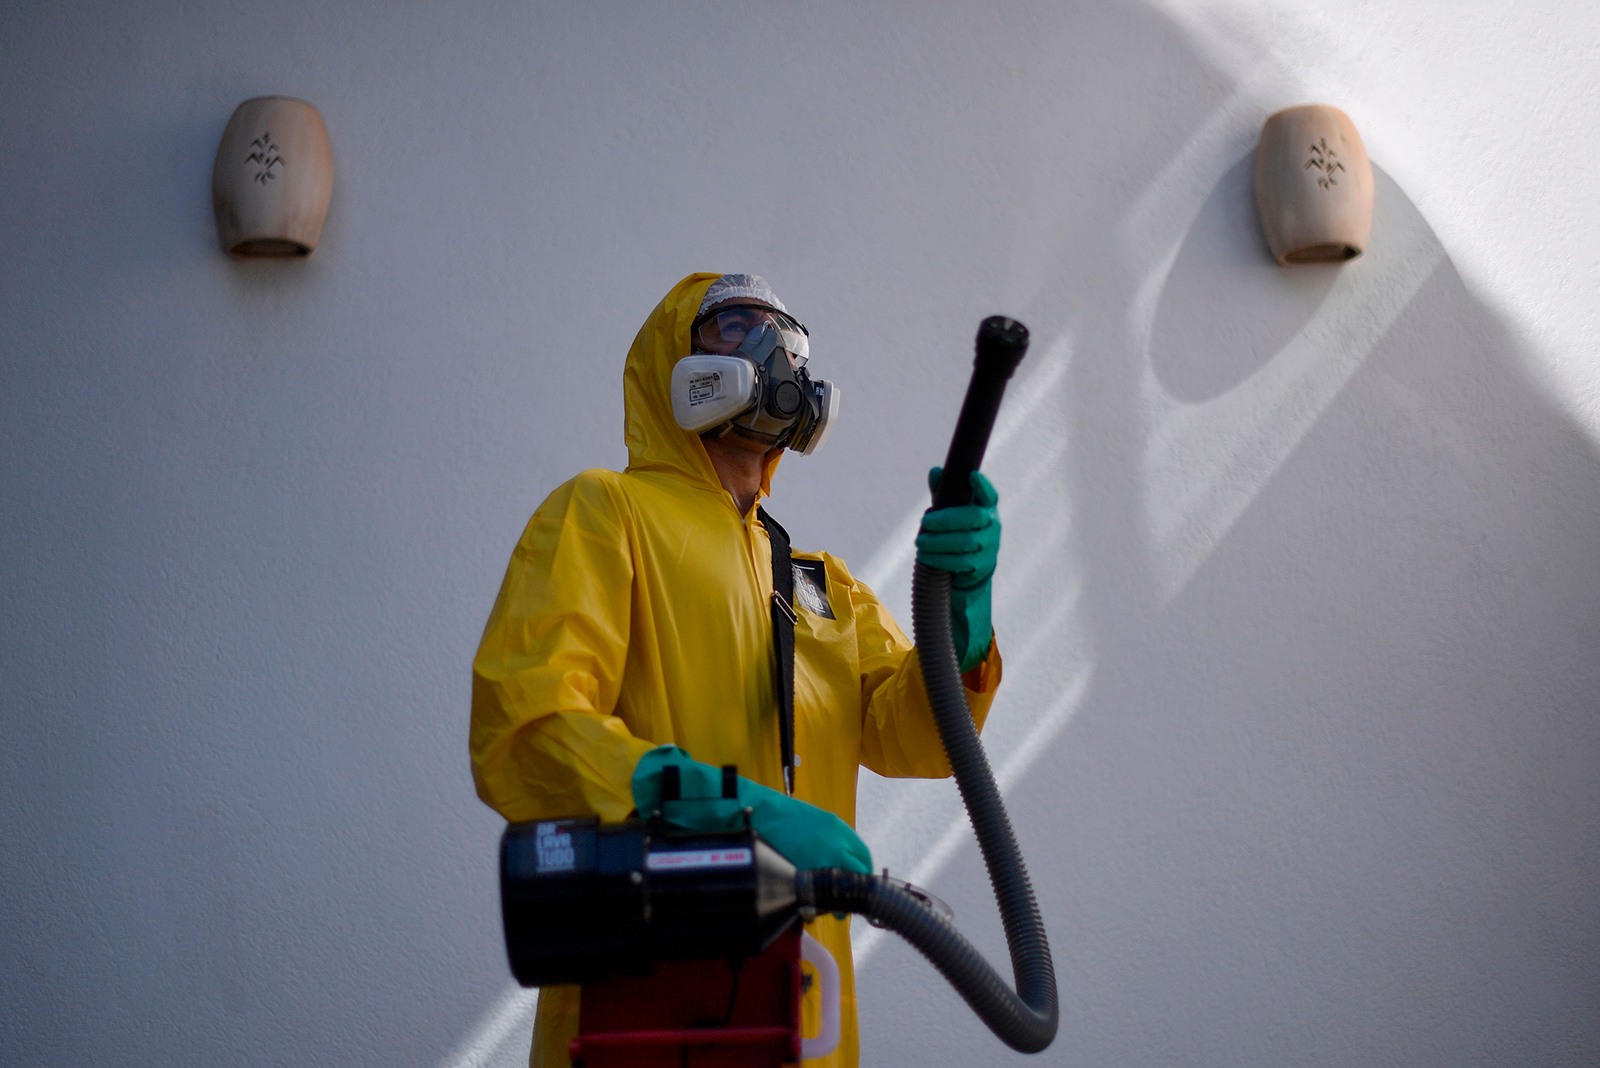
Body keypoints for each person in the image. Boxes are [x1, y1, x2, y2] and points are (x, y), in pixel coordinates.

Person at [470, 273, 1004, 1068]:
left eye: (787, 333)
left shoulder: (821, 583)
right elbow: (529, 730)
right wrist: (730, 815)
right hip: (644, 1012)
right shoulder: (604, 514)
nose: (773, 350)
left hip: (802, 1019)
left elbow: (923, 742)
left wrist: (964, 621)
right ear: (670, 367)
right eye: (734, 326)